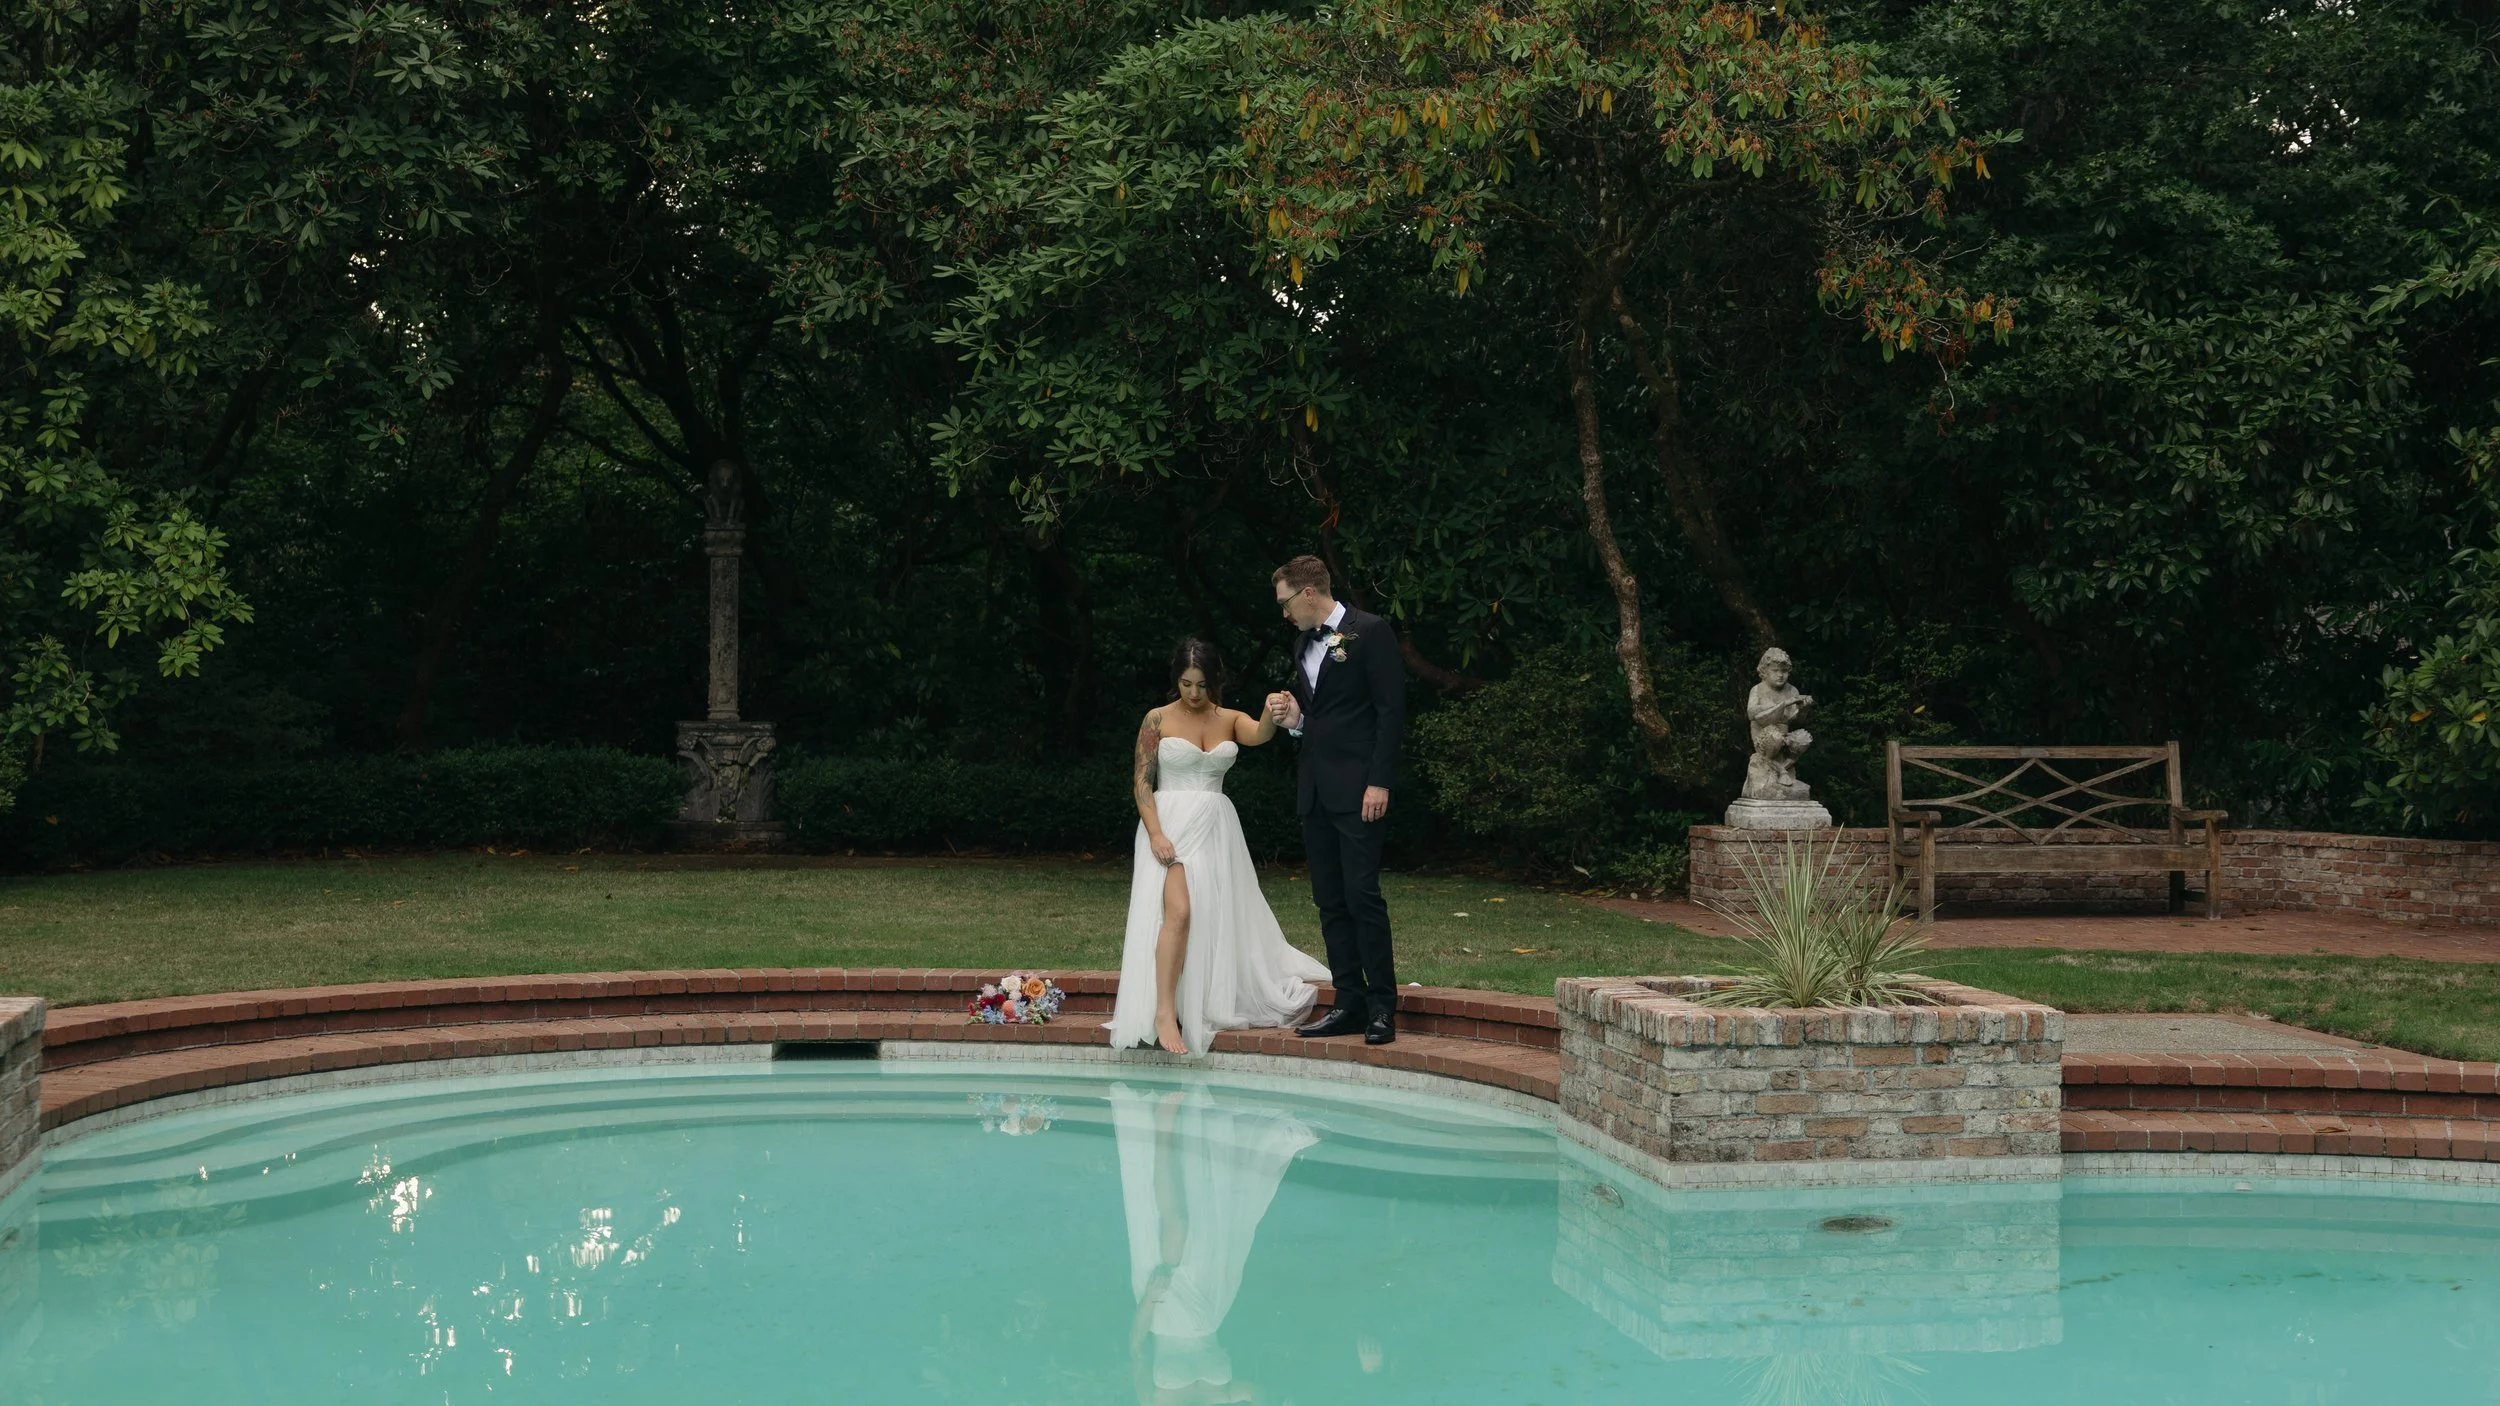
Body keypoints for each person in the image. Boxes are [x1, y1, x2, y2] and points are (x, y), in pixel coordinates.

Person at [1107, 639, 1330, 1056]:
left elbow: (1260, 734)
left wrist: (1271, 709)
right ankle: (1162, 1012)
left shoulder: (1228, 718)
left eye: (1202, 684)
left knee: (1206, 913)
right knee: (1179, 911)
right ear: (1177, 681)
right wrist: (1155, 833)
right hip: (1169, 824)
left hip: (1215, 826)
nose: (1194, 693)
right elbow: (1142, 781)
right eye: (1187, 683)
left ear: (1215, 682)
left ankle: (1201, 999)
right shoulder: (1156, 718)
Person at [1261, 556, 1406, 1046]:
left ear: (1307, 593)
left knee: (1362, 895)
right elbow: (1321, 718)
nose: (1283, 614)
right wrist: (1294, 718)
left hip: (1361, 788)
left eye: (1285, 603)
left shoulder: (1371, 632)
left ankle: (1383, 1008)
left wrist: (1379, 781)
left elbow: (1390, 712)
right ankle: (1348, 1001)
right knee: (1329, 900)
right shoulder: (1302, 642)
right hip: (1316, 791)